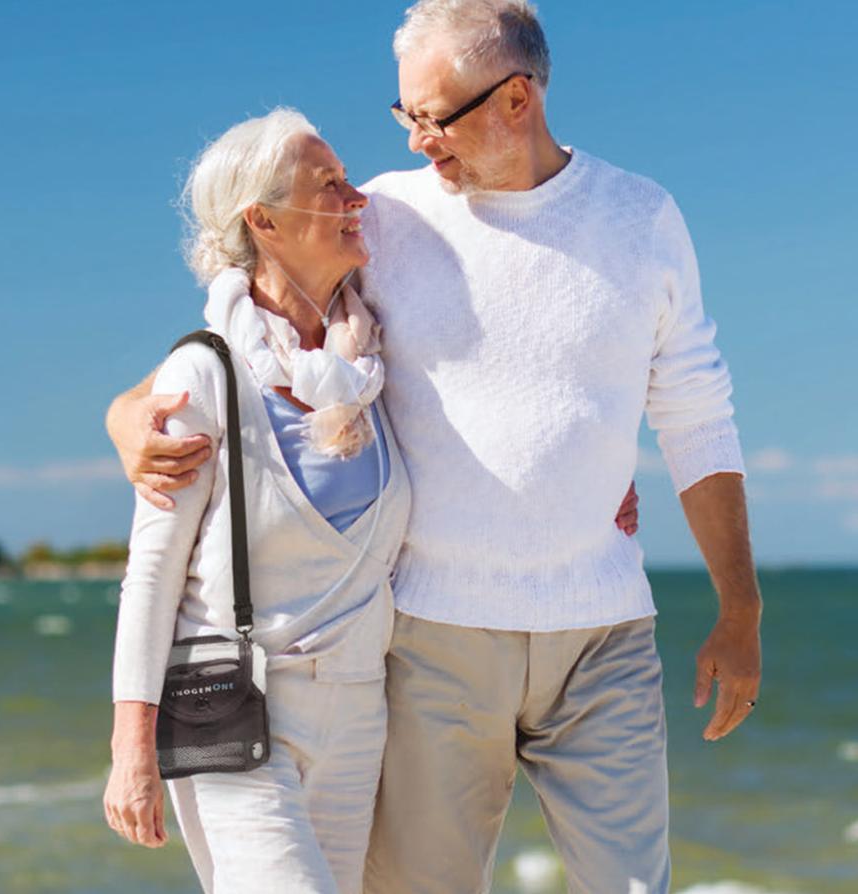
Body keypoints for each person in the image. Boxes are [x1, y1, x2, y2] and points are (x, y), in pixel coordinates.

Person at [107, 1, 762, 892]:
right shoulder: (384, 217)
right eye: (404, 115)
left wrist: (740, 606)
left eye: (434, 117)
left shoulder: (640, 218)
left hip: (601, 625)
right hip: (430, 640)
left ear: (516, 99)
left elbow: (696, 411)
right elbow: (241, 328)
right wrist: (126, 417)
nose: (417, 143)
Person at [102, 109, 413, 894]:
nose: (356, 198)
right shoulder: (203, 374)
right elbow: (151, 576)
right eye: (329, 184)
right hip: (234, 713)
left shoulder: (369, 368)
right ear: (264, 221)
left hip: (359, 713)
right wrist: (131, 750)